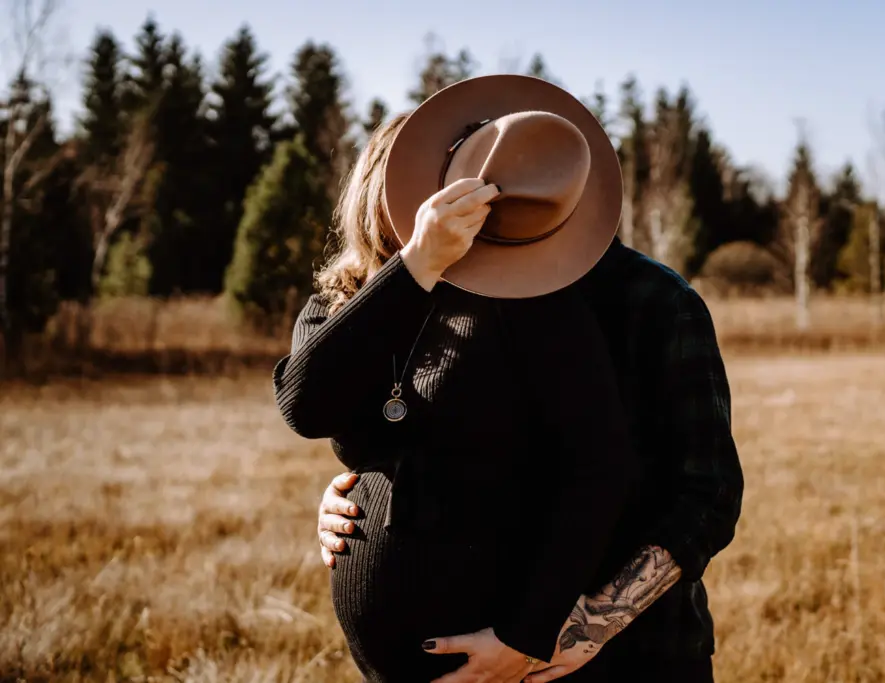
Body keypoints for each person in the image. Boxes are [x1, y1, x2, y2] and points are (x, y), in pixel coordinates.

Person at [309, 77, 744, 683]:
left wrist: (584, 623)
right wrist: (358, 497)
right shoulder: (469, 292)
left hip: (628, 659)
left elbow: (707, 495)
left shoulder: (654, 301)